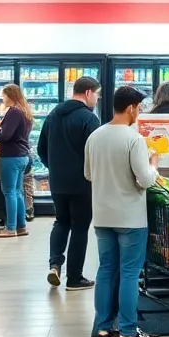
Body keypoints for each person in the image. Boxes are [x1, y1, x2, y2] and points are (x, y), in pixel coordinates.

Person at [85, 86, 160, 337]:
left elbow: (88, 174)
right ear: (131, 108)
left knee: (106, 270)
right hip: (130, 217)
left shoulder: (95, 136)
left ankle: (104, 328)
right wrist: (153, 164)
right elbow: (146, 180)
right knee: (130, 272)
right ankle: (128, 330)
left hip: (103, 215)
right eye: (138, 108)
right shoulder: (134, 139)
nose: (138, 113)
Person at [38, 75, 101, 290]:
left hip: (58, 182)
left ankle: (54, 264)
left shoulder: (53, 114)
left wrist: (54, 168)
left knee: (61, 221)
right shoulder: (89, 118)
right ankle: (74, 278)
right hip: (83, 183)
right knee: (80, 227)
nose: (97, 100)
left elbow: (40, 149)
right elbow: (96, 154)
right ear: (88, 93)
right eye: (97, 95)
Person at [0, 84, 34, 239]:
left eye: (3, 96)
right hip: (22, 156)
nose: (2, 99)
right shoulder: (24, 111)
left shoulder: (13, 112)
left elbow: (5, 136)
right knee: (17, 192)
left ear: (10, 96)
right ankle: (21, 226)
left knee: (9, 192)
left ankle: (10, 228)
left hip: (11, 156)